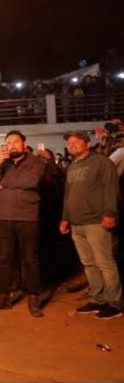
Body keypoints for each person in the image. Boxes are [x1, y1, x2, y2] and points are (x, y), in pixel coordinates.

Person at [59, 130, 121, 320]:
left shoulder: (102, 162)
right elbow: (68, 195)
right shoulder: (71, 167)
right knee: (89, 264)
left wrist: (110, 213)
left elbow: (112, 188)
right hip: (77, 223)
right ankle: (97, 299)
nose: (72, 145)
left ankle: (115, 303)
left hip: (96, 221)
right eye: (69, 143)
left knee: (105, 263)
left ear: (87, 143)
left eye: (76, 141)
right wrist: (65, 218)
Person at [0, 130, 47, 317]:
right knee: (4, 259)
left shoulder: (35, 162)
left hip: (27, 217)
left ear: (24, 143)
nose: (12, 145)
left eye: (15, 142)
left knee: (30, 259)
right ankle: (3, 295)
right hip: (4, 217)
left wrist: (7, 185)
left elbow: (31, 181)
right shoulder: (3, 164)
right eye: (8, 142)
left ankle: (33, 297)